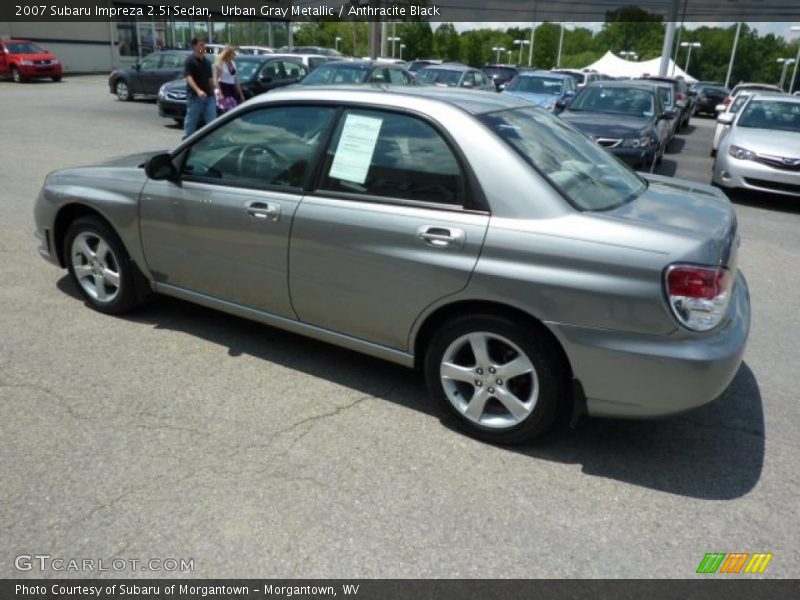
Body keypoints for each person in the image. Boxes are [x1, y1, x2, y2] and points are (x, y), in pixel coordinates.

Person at [183, 38, 216, 139]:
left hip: (209, 96)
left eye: (204, 45)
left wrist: (215, 91)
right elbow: (189, 77)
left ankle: (212, 141)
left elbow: (210, 79)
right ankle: (187, 142)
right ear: (194, 46)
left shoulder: (207, 62)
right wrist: (198, 91)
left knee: (212, 121)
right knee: (192, 120)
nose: (204, 47)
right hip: (195, 97)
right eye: (201, 45)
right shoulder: (189, 61)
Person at [213, 45, 245, 114]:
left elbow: (235, 79)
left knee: (234, 111)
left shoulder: (233, 63)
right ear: (228, 54)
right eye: (233, 53)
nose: (234, 55)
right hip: (224, 88)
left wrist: (241, 94)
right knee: (226, 111)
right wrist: (220, 93)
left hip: (232, 89)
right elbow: (215, 79)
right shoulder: (220, 64)